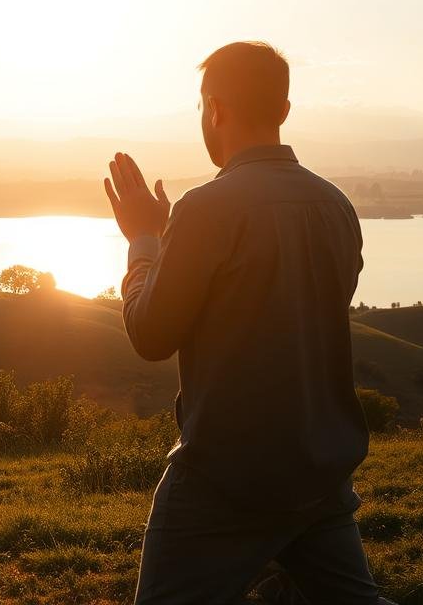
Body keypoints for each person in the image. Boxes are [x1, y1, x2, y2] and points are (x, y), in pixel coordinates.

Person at [103, 41, 394, 605]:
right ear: (283, 110)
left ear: (214, 109)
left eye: (200, 109)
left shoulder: (208, 208)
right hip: (320, 467)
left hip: (224, 477)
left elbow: (150, 335)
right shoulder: (335, 204)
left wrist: (144, 240)